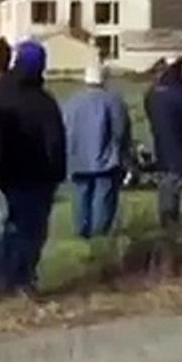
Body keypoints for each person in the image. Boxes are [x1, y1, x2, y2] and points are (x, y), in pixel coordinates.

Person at [0, 41, 66, 293]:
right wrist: (57, 173)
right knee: (31, 231)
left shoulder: (0, 95)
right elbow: (55, 142)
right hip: (37, 177)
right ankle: (21, 280)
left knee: (10, 228)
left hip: (4, 174)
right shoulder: (43, 102)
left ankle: (1, 279)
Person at [62, 63, 132, 238]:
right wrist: (124, 154)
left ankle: (82, 230)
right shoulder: (113, 101)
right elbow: (121, 130)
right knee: (103, 197)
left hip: (77, 158)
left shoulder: (72, 102)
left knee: (80, 196)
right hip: (106, 159)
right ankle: (99, 233)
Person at [144, 58, 182, 227]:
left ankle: (166, 216)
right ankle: (170, 217)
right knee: (174, 181)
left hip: (161, 144)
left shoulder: (152, 94)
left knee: (166, 181)